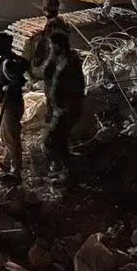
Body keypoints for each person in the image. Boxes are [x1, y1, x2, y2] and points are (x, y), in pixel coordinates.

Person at [42, 32, 85, 171]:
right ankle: (64, 165)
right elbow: (46, 73)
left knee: (52, 140)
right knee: (60, 138)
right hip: (60, 107)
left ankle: (62, 167)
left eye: (51, 45)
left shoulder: (70, 62)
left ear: (58, 46)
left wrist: (65, 106)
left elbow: (76, 86)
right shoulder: (59, 59)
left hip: (66, 108)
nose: (50, 48)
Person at [0, 32, 30, 179]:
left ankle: (16, 171)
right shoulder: (8, 59)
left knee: (12, 136)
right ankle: (7, 163)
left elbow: (19, 80)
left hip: (11, 104)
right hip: (8, 104)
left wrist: (6, 88)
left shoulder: (8, 63)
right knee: (6, 135)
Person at [31, 0, 72, 80]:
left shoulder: (51, 25)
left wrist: (36, 63)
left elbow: (43, 48)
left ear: (44, 10)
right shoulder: (61, 22)